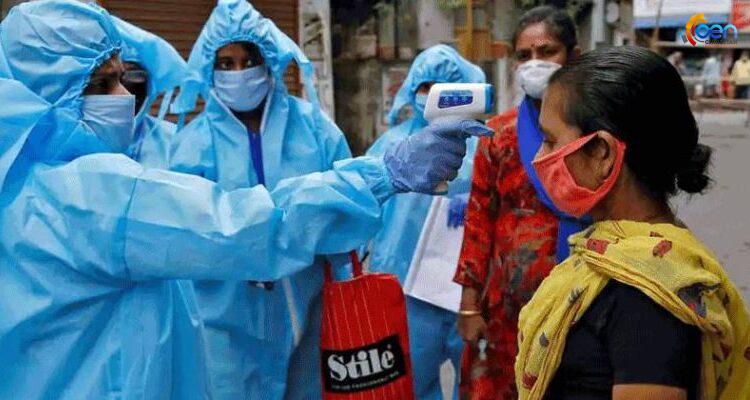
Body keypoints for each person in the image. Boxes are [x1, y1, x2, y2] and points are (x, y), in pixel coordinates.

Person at [0, 1, 487, 399]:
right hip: (214, 334)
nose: (125, 97)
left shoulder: (19, 183)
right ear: (48, 93)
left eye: (122, 79)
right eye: (102, 84)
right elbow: (243, 224)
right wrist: (384, 173)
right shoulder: (90, 195)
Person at [516, 45, 750, 400]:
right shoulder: (616, 258)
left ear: (603, 153)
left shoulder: (646, 301)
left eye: (550, 141)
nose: (539, 158)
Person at [453, 6, 585, 400]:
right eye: (524, 55)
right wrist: (469, 304)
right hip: (510, 306)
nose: (534, 63)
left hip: (583, 296)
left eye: (547, 51)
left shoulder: (596, 131)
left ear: (573, 56)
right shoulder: (498, 135)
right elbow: (479, 219)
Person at [363, 44, 486, 400]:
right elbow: (365, 205)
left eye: (442, 88)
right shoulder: (391, 145)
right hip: (405, 290)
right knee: (409, 384)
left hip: (470, 291)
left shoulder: (481, 146)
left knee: (476, 384)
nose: (431, 95)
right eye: (424, 87)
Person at [113, 17, 187, 168]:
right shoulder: (72, 140)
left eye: (132, 74)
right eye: (105, 80)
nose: (122, 91)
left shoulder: (175, 143)